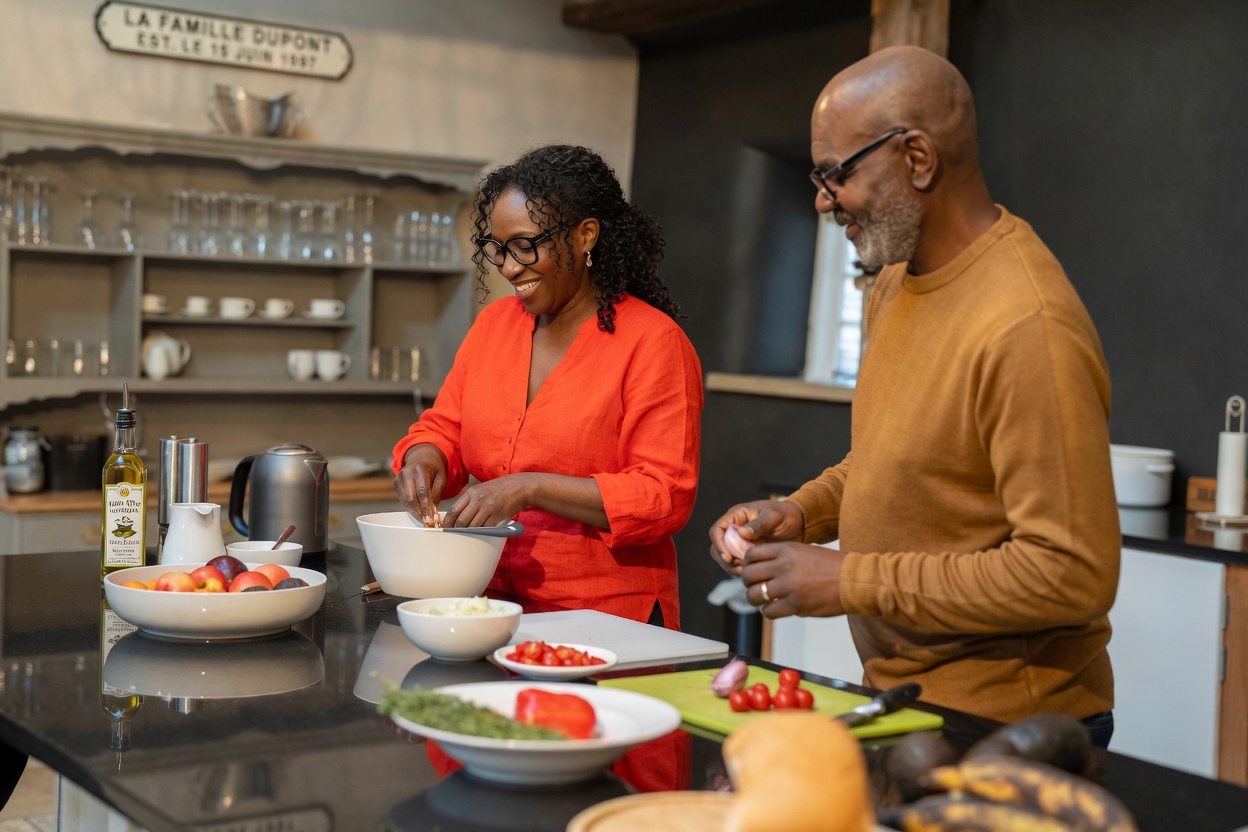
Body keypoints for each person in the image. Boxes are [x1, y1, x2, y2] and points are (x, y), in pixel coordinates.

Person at [709, 47, 1120, 741]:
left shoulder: (1027, 325)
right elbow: (893, 460)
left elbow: (1070, 574)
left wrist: (850, 581)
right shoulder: (897, 282)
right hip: (908, 705)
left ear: (918, 158)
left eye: (837, 174)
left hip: (1011, 731)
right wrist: (801, 514)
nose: (821, 200)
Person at [393, 144, 703, 629]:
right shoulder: (494, 326)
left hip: (605, 616)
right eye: (498, 249)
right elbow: (445, 428)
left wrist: (529, 488)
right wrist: (424, 459)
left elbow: (663, 497)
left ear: (585, 235)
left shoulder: (654, 343)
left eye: (525, 245)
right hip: (487, 600)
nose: (509, 268)